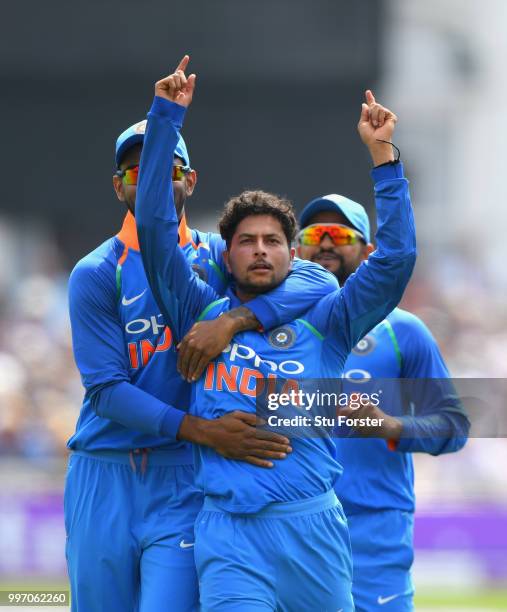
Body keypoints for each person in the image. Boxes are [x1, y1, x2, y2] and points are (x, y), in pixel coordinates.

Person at [135, 56, 416, 611]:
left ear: (294, 254)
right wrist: (165, 118)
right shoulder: (197, 311)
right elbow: (153, 229)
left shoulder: (331, 318)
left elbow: (397, 259)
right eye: (245, 240)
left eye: (272, 240)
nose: (260, 249)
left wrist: (383, 157)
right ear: (227, 254)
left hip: (313, 529)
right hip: (229, 533)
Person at [65, 68, 341, 611]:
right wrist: (205, 429)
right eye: (136, 170)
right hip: (107, 467)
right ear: (119, 185)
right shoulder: (97, 272)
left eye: (167, 168)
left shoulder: (222, 256)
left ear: (191, 181)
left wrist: (235, 320)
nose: (151, 178)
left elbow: (314, 276)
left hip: (185, 474)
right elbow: (106, 391)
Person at [296, 192, 470, 610]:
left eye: (338, 233)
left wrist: (390, 425)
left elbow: (453, 427)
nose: (324, 243)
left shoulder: (403, 331)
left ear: (370, 251)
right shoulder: (277, 326)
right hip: (293, 527)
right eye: (313, 233)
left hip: (373, 532)